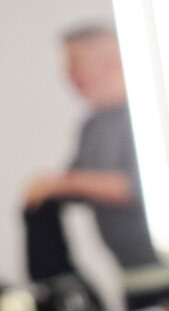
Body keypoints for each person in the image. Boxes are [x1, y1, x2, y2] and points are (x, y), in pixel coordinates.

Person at [20, 25, 156, 281]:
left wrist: (61, 184)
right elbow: (76, 182)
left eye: (75, 65)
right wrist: (48, 191)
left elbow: (146, 186)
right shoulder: (93, 125)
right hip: (137, 278)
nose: (68, 76)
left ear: (111, 64)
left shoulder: (155, 112)